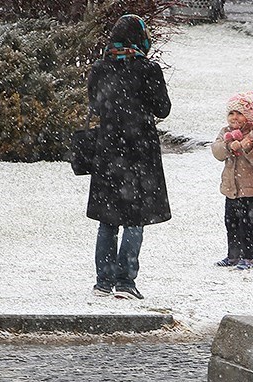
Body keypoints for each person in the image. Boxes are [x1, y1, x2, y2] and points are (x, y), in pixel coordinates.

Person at [86, 14, 171, 300]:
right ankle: (125, 281)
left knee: (107, 219)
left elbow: (96, 106)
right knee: (135, 217)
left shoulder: (100, 68)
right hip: (139, 151)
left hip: (108, 149)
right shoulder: (148, 69)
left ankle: (103, 282)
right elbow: (163, 108)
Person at [211, 92, 253, 271]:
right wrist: (229, 146)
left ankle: (247, 257)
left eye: (239, 113)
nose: (234, 117)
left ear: (248, 116)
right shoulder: (225, 132)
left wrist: (249, 147)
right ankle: (233, 255)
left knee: (247, 222)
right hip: (231, 187)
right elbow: (217, 152)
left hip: (251, 188)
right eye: (231, 113)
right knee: (231, 221)